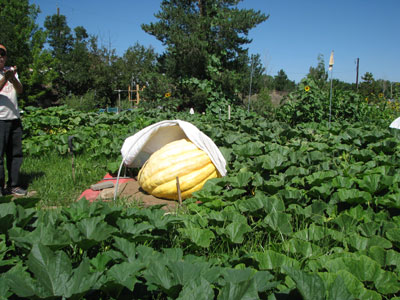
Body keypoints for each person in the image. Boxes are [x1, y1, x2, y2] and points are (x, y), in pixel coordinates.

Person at [0, 44, 26, 196]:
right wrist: (5, 78)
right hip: (0, 119)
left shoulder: (10, 71)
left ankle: (14, 185)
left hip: (14, 118)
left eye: (2, 54)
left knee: (15, 154)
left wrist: (12, 77)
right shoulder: (5, 75)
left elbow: (20, 89)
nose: (0, 57)